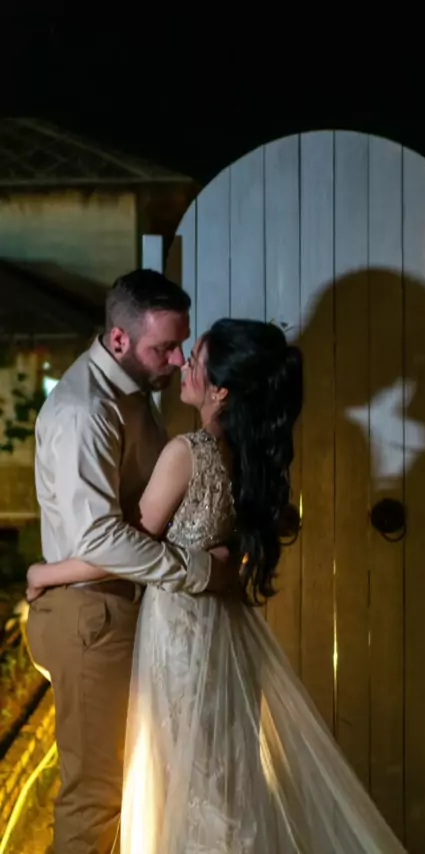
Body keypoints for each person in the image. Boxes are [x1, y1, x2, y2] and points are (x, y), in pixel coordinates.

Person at [27, 319, 407, 854]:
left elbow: (125, 547)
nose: (183, 363)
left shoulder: (187, 452)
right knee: (219, 774)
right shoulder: (243, 456)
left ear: (221, 389)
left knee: (185, 778)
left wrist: (45, 573)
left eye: (196, 358)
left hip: (180, 633)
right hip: (221, 630)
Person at [26, 271, 234, 854]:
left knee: (132, 789)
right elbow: (99, 538)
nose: (176, 360)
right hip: (91, 617)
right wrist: (197, 570)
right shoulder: (85, 410)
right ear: (119, 339)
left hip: (119, 610)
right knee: (95, 797)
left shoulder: (134, 392)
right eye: (163, 348)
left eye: (181, 345)